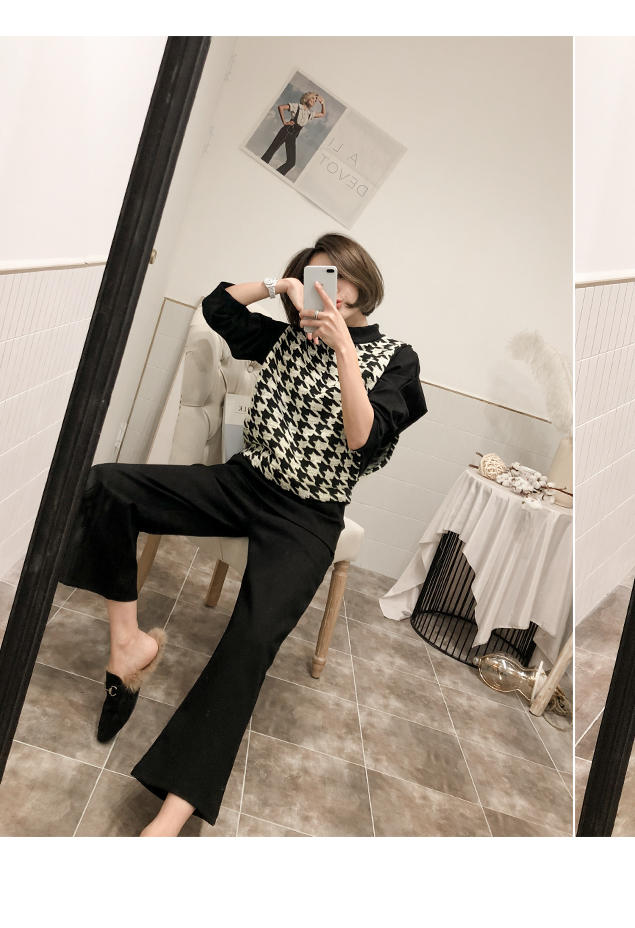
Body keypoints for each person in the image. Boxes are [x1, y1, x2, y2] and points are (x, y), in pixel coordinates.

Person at [60, 233, 427, 836]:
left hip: (308, 517)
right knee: (106, 485)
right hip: (244, 482)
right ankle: (128, 645)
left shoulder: (396, 359)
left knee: (252, 640)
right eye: (316, 279)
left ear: (363, 283)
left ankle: (170, 817)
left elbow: (362, 437)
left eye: (338, 278)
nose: (328, 291)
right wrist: (278, 286)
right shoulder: (283, 336)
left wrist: (343, 348)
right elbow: (218, 307)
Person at [260, 90, 326, 177]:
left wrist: (322, 104)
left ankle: (274, 176)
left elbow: (322, 114)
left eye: (315, 100)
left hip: (293, 136)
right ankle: (258, 170)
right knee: (270, 151)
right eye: (312, 98)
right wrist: (284, 122)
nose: (314, 101)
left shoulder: (309, 114)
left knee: (291, 162)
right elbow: (281, 107)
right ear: (307, 98)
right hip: (286, 131)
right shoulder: (297, 106)